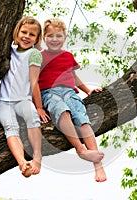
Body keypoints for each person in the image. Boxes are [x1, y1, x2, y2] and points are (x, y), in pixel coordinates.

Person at [37, 18, 107, 182]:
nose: (55, 39)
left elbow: (74, 77)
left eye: (59, 36)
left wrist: (88, 90)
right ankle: (80, 149)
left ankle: (98, 165)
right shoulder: (40, 57)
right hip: (49, 93)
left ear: (65, 38)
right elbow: (32, 82)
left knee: (82, 119)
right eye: (50, 36)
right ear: (44, 38)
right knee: (62, 111)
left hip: (70, 92)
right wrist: (38, 106)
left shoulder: (68, 56)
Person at [0, 16, 49, 178]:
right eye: (23, 32)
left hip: (23, 100)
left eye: (31, 35)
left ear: (37, 39)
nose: (26, 36)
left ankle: (37, 156)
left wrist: (39, 107)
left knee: (32, 117)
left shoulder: (34, 54)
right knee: (10, 128)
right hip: (3, 101)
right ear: (17, 32)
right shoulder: (8, 51)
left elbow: (34, 83)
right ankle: (22, 162)